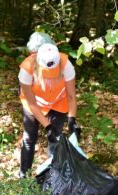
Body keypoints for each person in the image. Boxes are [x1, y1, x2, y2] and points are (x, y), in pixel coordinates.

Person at [18, 42, 81, 178]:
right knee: (29, 137)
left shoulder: (66, 65)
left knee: (56, 139)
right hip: (34, 105)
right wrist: (47, 126)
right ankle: (23, 176)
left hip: (58, 103)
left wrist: (72, 120)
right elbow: (32, 103)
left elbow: (71, 96)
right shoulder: (26, 70)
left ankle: (54, 177)